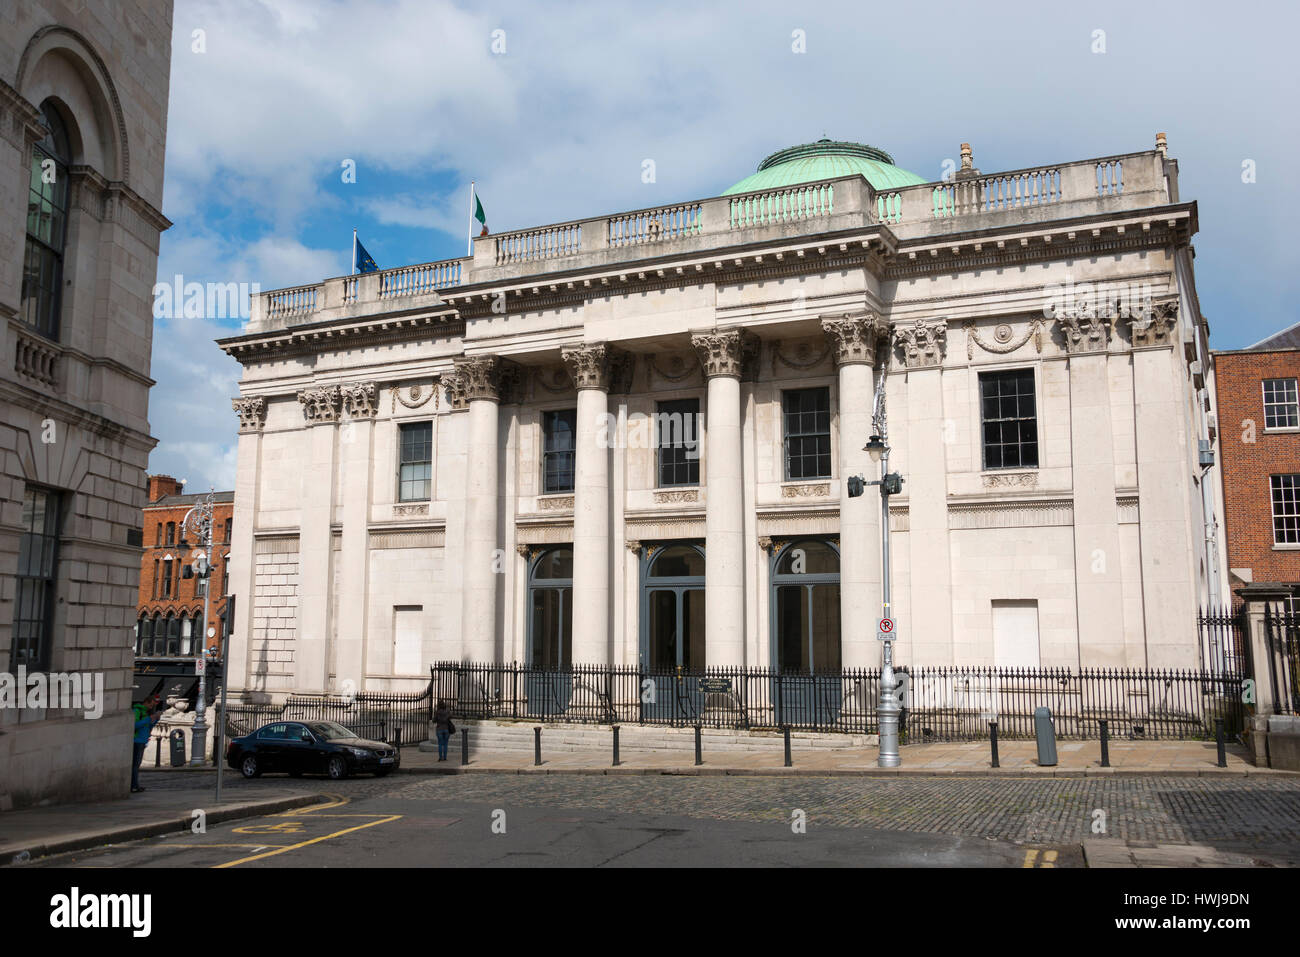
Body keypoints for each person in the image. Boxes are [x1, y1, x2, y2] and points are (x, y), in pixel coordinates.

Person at [131, 694, 163, 793]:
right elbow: (134, 725)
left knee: (137, 765)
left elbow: (148, 726)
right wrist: (149, 718)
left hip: (142, 740)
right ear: (146, 702)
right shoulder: (137, 711)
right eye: (151, 705)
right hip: (136, 741)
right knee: (135, 765)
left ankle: (135, 785)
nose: (151, 707)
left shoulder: (145, 713)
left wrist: (156, 719)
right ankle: (134, 786)